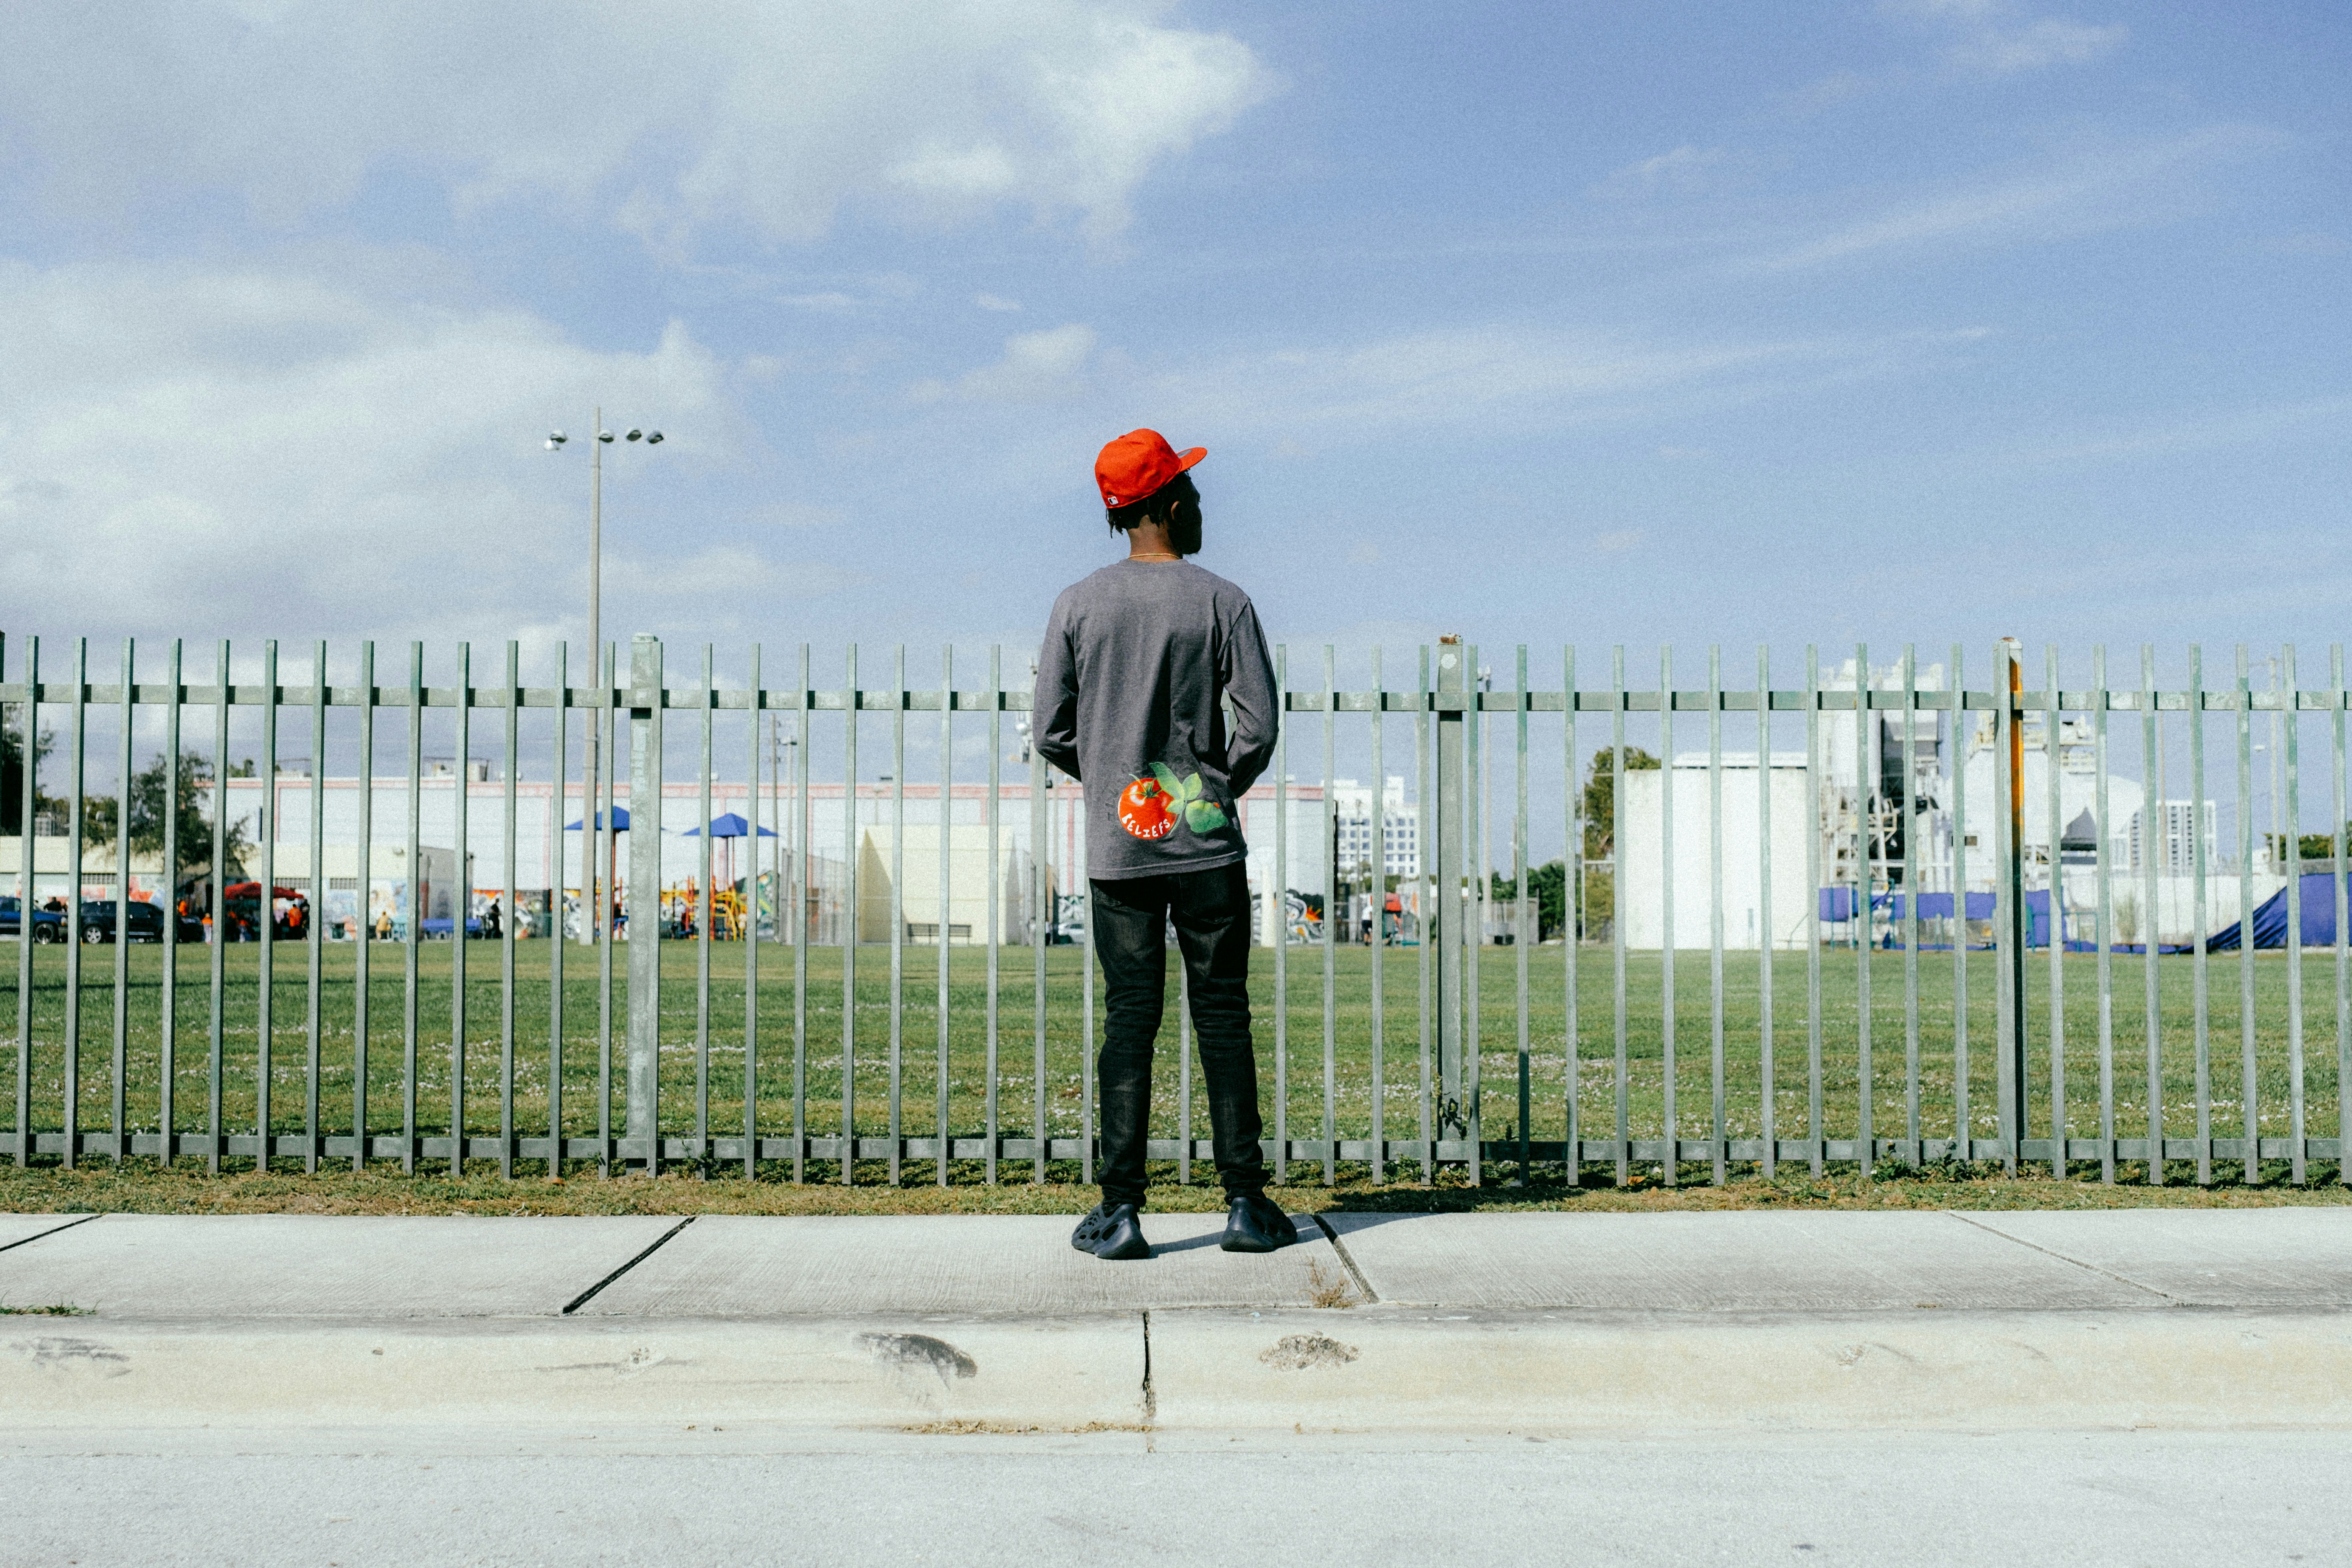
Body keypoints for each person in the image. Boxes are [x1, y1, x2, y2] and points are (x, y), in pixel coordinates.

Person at [1037, 428, 1295, 1262]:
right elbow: (1258, 725)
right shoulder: (1223, 601)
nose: (1201, 502)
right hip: (1207, 848)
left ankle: (1118, 1211)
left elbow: (1050, 730)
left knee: (1130, 1020)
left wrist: (1114, 780)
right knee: (1222, 1016)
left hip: (1121, 850)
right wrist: (1211, 791)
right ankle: (1246, 1203)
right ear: (1170, 504)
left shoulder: (1077, 605)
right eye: (1192, 489)